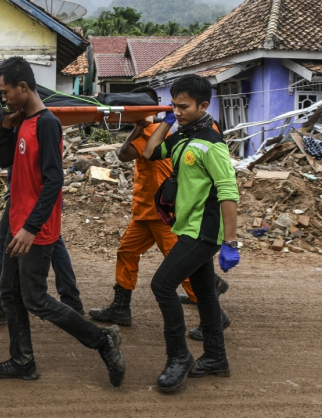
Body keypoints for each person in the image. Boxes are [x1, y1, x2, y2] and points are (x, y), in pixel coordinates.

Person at [0, 57, 125, 386]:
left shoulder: (46, 123)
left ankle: (103, 340)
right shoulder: (23, 122)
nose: (2, 98)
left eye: (5, 93)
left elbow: (54, 180)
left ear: (23, 87)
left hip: (35, 229)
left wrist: (31, 228)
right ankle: (22, 361)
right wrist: (4, 127)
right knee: (9, 294)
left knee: (35, 299)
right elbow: (7, 162)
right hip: (18, 224)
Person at [89, 87, 231, 340]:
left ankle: (216, 317)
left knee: (183, 269)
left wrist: (141, 125)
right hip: (145, 212)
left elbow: (124, 154)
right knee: (127, 252)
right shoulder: (154, 130)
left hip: (162, 214)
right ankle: (121, 307)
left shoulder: (152, 131)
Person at [142, 74, 240, 392]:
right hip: (187, 227)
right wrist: (167, 121)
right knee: (206, 295)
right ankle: (215, 357)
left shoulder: (212, 145)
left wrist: (230, 242)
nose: (178, 111)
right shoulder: (182, 138)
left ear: (204, 105)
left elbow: (228, 192)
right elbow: (149, 151)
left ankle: (179, 356)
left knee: (162, 285)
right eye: (174, 105)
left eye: (183, 107)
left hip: (204, 232)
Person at [0, 138, 84, 320]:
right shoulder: (32, 121)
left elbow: (14, 145)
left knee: (4, 240)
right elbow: (10, 143)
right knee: (54, 241)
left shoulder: (32, 121)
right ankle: (71, 300)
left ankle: (1, 301)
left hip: (28, 196)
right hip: (31, 195)